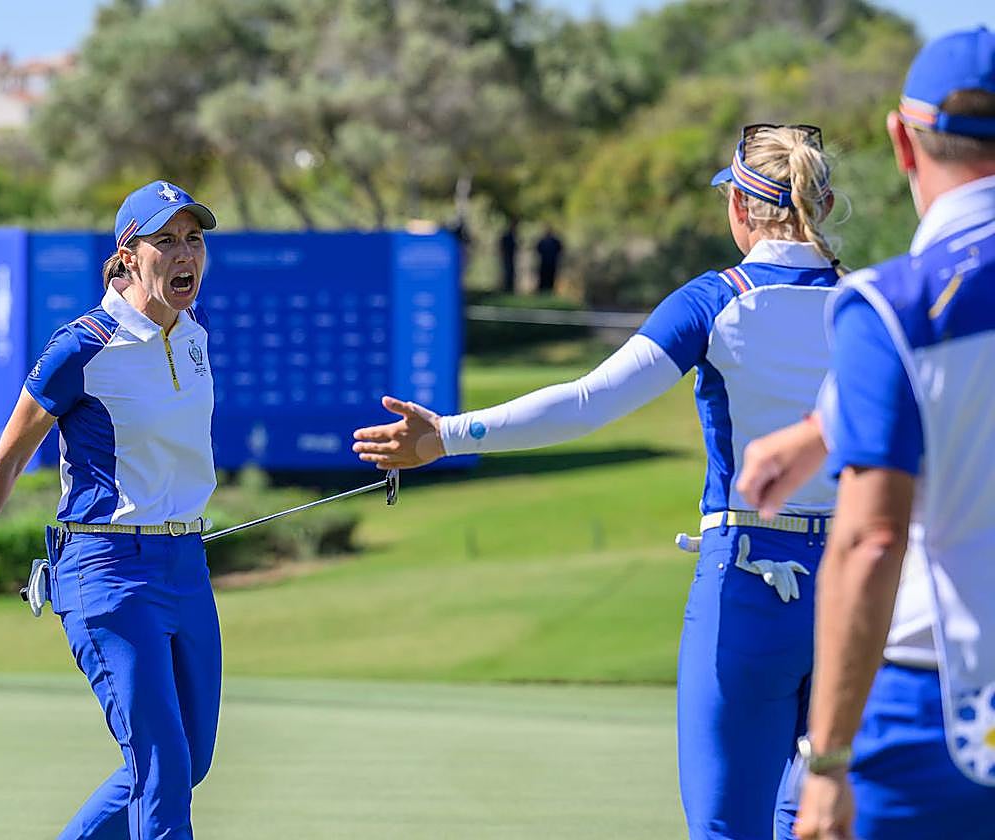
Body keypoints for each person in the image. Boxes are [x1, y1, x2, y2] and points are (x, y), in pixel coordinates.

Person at [354, 125, 847, 839]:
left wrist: (447, 436)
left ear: (739, 207)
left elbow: (588, 402)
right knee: (826, 823)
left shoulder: (716, 299)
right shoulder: (872, 301)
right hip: (860, 588)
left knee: (727, 828)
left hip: (748, 585)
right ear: (822, 206)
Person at [736, 27, 995, 840]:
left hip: (940, 722)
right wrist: (824, 427)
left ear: (902, 141)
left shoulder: (896, 307)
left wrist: (828, 763)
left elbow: (872, 542)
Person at [0, 180, 222, 839]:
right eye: (167, 240)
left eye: (195, 240)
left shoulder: (196, 335)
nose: (186, 255)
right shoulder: (82, 345)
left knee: (188, 762)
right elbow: (6, 458)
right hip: (109, 573)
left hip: (186, 567)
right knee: (160, 773)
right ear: (129, 254)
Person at [535, 226, 564, 294]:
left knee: (551, 277)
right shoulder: (543, 241)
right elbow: (538, 249)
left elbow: (560, 249)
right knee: (543, 277)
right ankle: (542, 290)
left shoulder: (555, 241)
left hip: (552, 262)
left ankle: (549, 290)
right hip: (544, 262)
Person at [499, 218, 519, 294]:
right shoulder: (507, 236)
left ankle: (510, 288)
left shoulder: (514, 235)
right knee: (507, 272)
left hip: (512, 257)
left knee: (511, 272)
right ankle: (507, 288)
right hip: (507, 257)